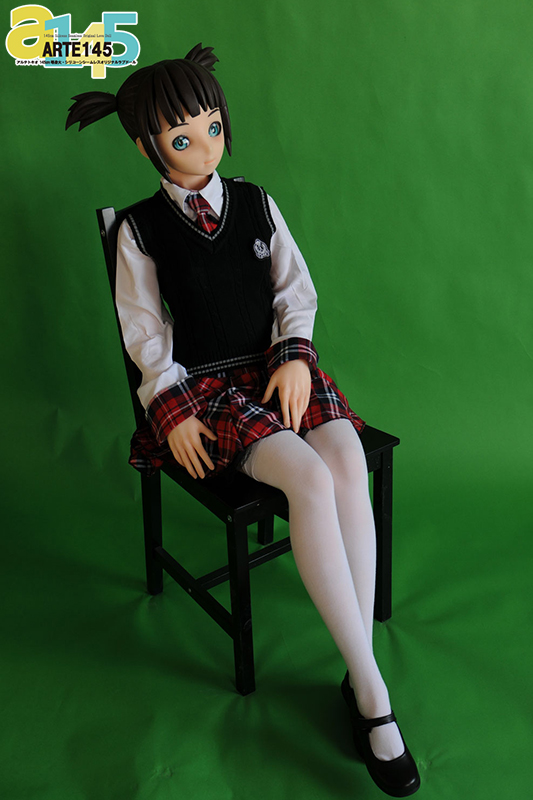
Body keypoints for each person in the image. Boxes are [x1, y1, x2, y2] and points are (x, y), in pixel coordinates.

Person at [66, 43, 420, 797]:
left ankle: (357, 670)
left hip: (277, 369)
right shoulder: (139, 229)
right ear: (147, 147)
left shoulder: (256, 201)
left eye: (212, 126)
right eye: (181, 137)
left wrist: (295, 356)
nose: (204, 145)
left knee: (346, 459)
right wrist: (168, 410)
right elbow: (144, 334)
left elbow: (294, 288)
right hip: (211, 391)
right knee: (309, 481)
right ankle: (370, 690)